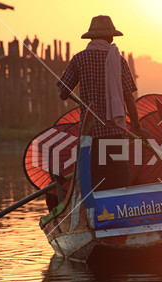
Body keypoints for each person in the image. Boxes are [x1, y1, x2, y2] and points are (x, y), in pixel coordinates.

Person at [57, 15, 150, 191]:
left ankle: (96, 215)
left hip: (90, 135)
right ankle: (121, 212)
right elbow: (129, 97)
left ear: (91, 38)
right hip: (116, 133)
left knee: (95, 182)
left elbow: (63, 93)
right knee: (119, 181)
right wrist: (137, 127)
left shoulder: (79, 59)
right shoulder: (119, 60)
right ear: (110, 38)